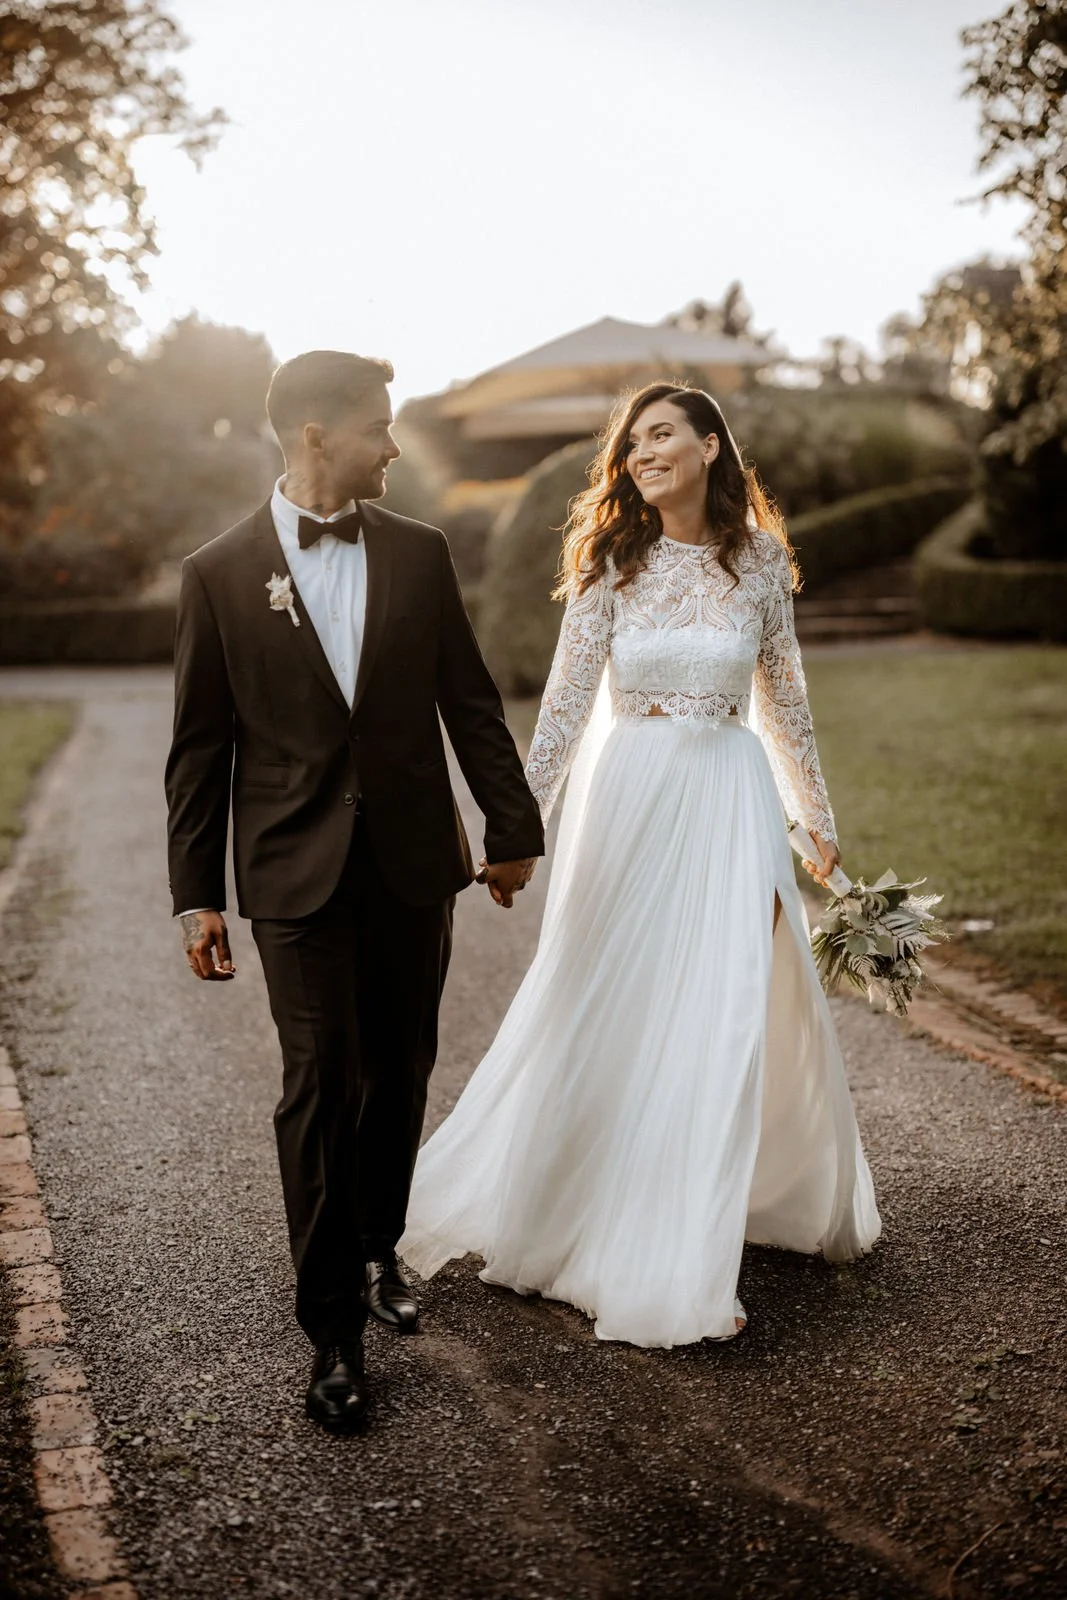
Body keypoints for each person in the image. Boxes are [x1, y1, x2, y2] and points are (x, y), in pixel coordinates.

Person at [400, 382, 882, 1348]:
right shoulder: (609, 566)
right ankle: (592, 1208)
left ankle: (690, 1244)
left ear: (710, 446)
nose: (640, 454)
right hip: (631, 800)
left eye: (661, 436)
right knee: (610, 999)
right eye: (631, 445)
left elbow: (784, 701)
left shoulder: (756, 566)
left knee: (723, 1010)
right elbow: (568, 708)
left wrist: (813, 823)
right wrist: (517, 830)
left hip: (730, 796)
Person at [164, 350, 543, 1430]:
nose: (393, 443)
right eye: (379, 426)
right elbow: (197, 752)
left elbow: (468, 700)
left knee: (398, 1067)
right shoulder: (218, 572)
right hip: (292, 872)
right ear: (317, 436)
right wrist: (196, 891)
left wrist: (511, 826)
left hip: (413, 863)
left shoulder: (420, 555)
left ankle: (379, 1245)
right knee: (318, 1080)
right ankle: (330, 1333)